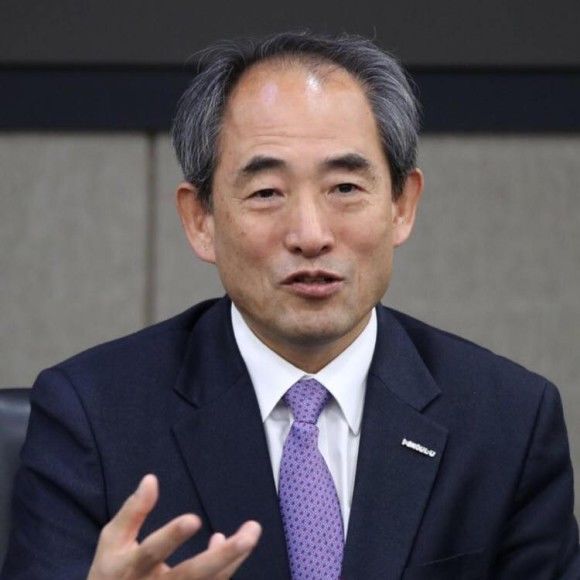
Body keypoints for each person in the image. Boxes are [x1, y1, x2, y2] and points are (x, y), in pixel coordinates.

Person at [2, 31, 579, 579]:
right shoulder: (91, 417)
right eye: (266, 192)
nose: (310, 235)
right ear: (200, 220)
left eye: (345, 188)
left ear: (402, 206)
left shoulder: (509, 422)